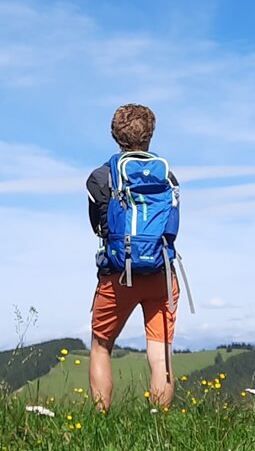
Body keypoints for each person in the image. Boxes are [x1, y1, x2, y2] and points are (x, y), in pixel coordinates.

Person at [86, 103, 182, 411]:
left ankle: (100, 422)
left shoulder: (101, 177)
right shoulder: (167, 177)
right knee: (160, 356)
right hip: (161, 273)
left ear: (115, 135)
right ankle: (158, 429)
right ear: (150, 135)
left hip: (119, 274)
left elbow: (99, 226)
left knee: (101, 346)